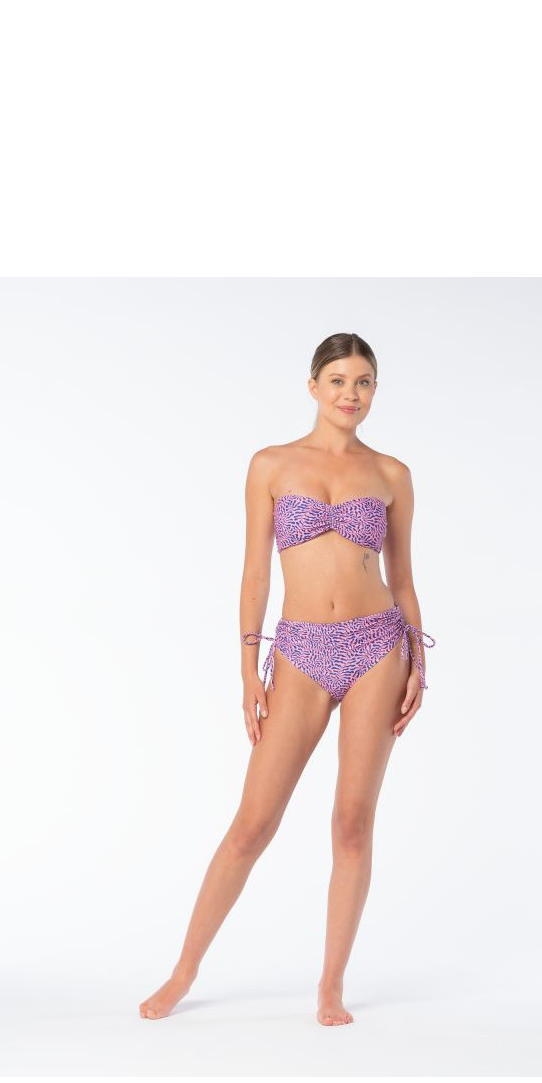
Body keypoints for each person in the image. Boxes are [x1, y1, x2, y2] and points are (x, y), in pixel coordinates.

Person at [139, 332, 435, 1026]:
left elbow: (403, 578)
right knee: (252, 824)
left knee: (352, 824)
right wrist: (249, 668)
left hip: (377, 646)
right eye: (338, 381)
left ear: (375, 390)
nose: (350, 395)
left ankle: (330, 986)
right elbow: (254, 574)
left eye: (363, 382)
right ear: (312, 387)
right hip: (299, 651)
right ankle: (183, 972)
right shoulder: (271, 465)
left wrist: (419, 661)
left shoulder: (391, 474)